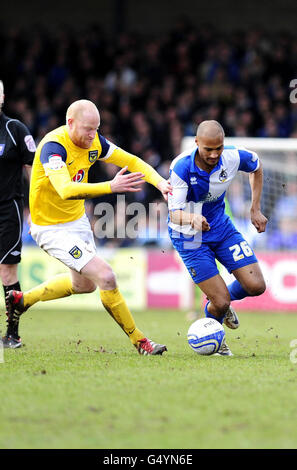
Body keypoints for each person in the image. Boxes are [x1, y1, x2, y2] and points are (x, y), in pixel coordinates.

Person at [6, 99, 171, 355]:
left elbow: (133, 161)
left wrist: (160, 183)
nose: (93, 136)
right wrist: (110, 186)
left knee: (85, 285)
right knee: (106, 276)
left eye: (96, 129)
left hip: (76, 222)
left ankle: (22, 300)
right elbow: (65, 189)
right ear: (70, 123)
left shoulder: (95, 142)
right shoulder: (53, 148)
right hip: (51, 228)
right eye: (87, 129)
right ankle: (141, 342)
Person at [168, 120, 267, 356]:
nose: (214, 154)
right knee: (220, 302)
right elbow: (174, 213)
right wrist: (192, 219)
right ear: (196, 144)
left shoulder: (233, 157)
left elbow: (257, 167)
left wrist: (255, 208)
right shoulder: (181, 167)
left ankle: (219, 305)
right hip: (189, 237)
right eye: (208, 149)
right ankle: (216, 338)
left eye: (218, 148)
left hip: (221, 229)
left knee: (256, 286)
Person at [0, 80, 36, 348]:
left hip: (7, 209)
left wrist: (37, 208)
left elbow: (34, 169)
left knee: (7, 270)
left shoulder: (14, 129)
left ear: (2, 97)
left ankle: (12, 334)